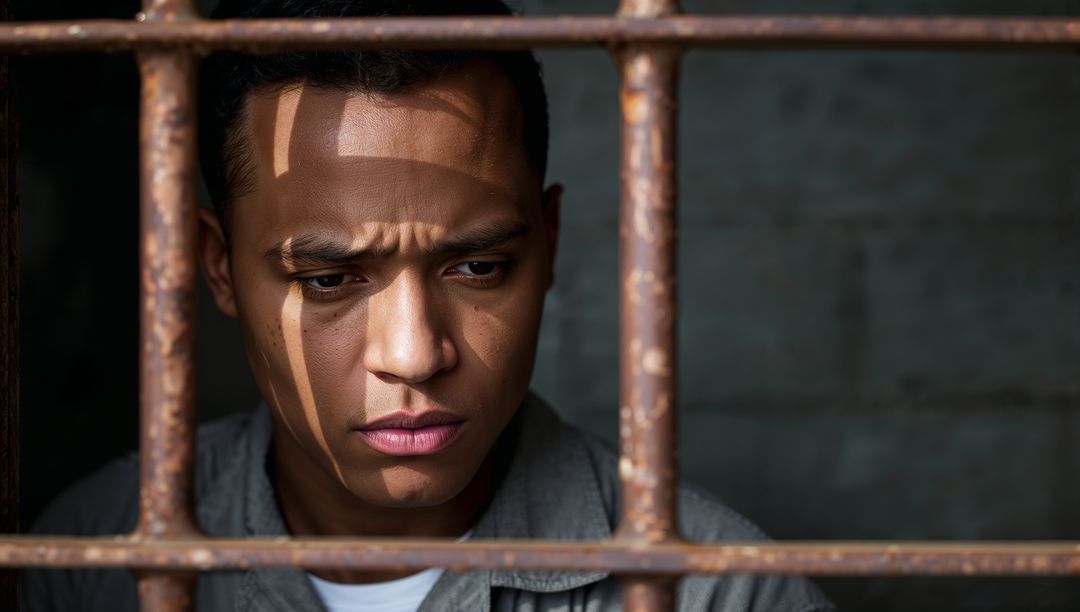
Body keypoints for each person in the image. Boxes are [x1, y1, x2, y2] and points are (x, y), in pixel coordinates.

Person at [24, 1, 835, 610]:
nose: (413, 355)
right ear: (218, 267)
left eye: (478, 266)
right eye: (329, 279)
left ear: (549, 244)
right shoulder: (89, 559)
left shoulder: (716, 591)